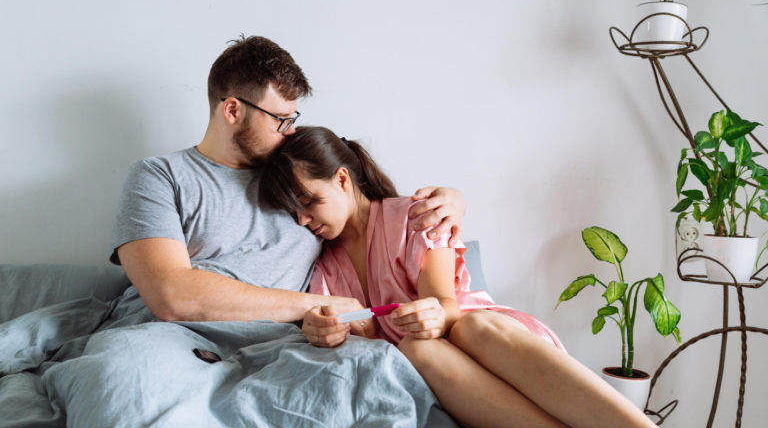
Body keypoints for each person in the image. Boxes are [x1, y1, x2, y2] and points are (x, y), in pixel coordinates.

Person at [258, 126, 657, 428]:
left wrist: (437, 314)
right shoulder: (323, 266)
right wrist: (321, 328)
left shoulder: (417, 215)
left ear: (343, 180)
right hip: (437, 368)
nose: (304, 221)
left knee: (469, 327)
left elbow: (448, 305)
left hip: (491, 342)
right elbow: (342, 330)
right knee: (417, 351)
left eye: (309, 203)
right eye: (295, 214)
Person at [110, 35, 466, 330]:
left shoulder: (293, 178)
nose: (290, 131)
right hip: (178, 338)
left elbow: (366, 213)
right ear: (232, 111)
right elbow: (171, 295)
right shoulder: (159, 176)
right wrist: (319, 304)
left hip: (287, 348)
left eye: (293, 118)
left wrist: (452, 200)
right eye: (280, 119)